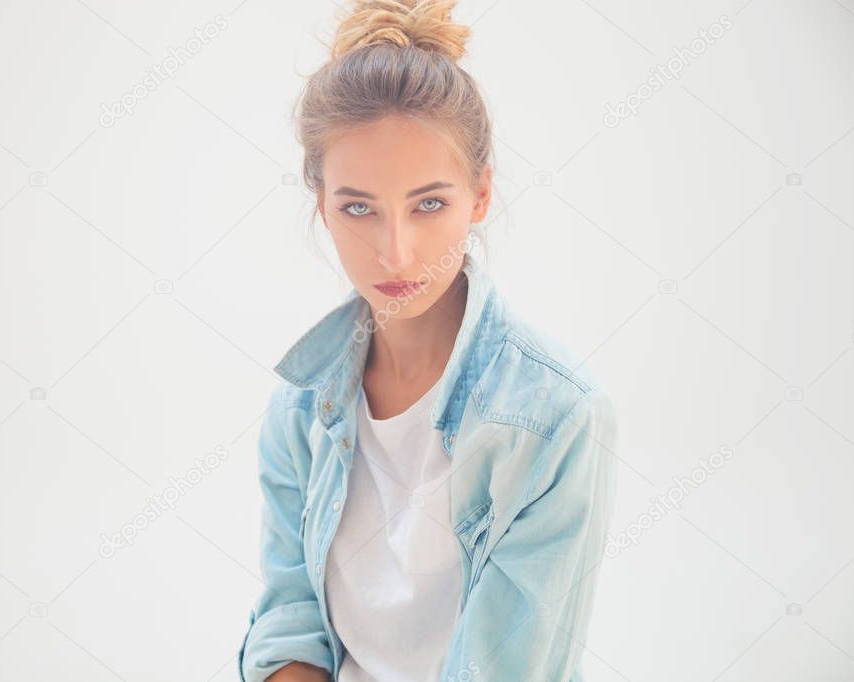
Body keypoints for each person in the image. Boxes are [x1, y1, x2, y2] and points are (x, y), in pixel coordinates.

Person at [238, 1, 618, 680]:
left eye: (429, 204)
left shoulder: (555, 417)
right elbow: (288, 622)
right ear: (321, 206)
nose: (395, 253)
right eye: (358, 207)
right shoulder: (299, 406)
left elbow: (509, 667)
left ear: (480, 196)